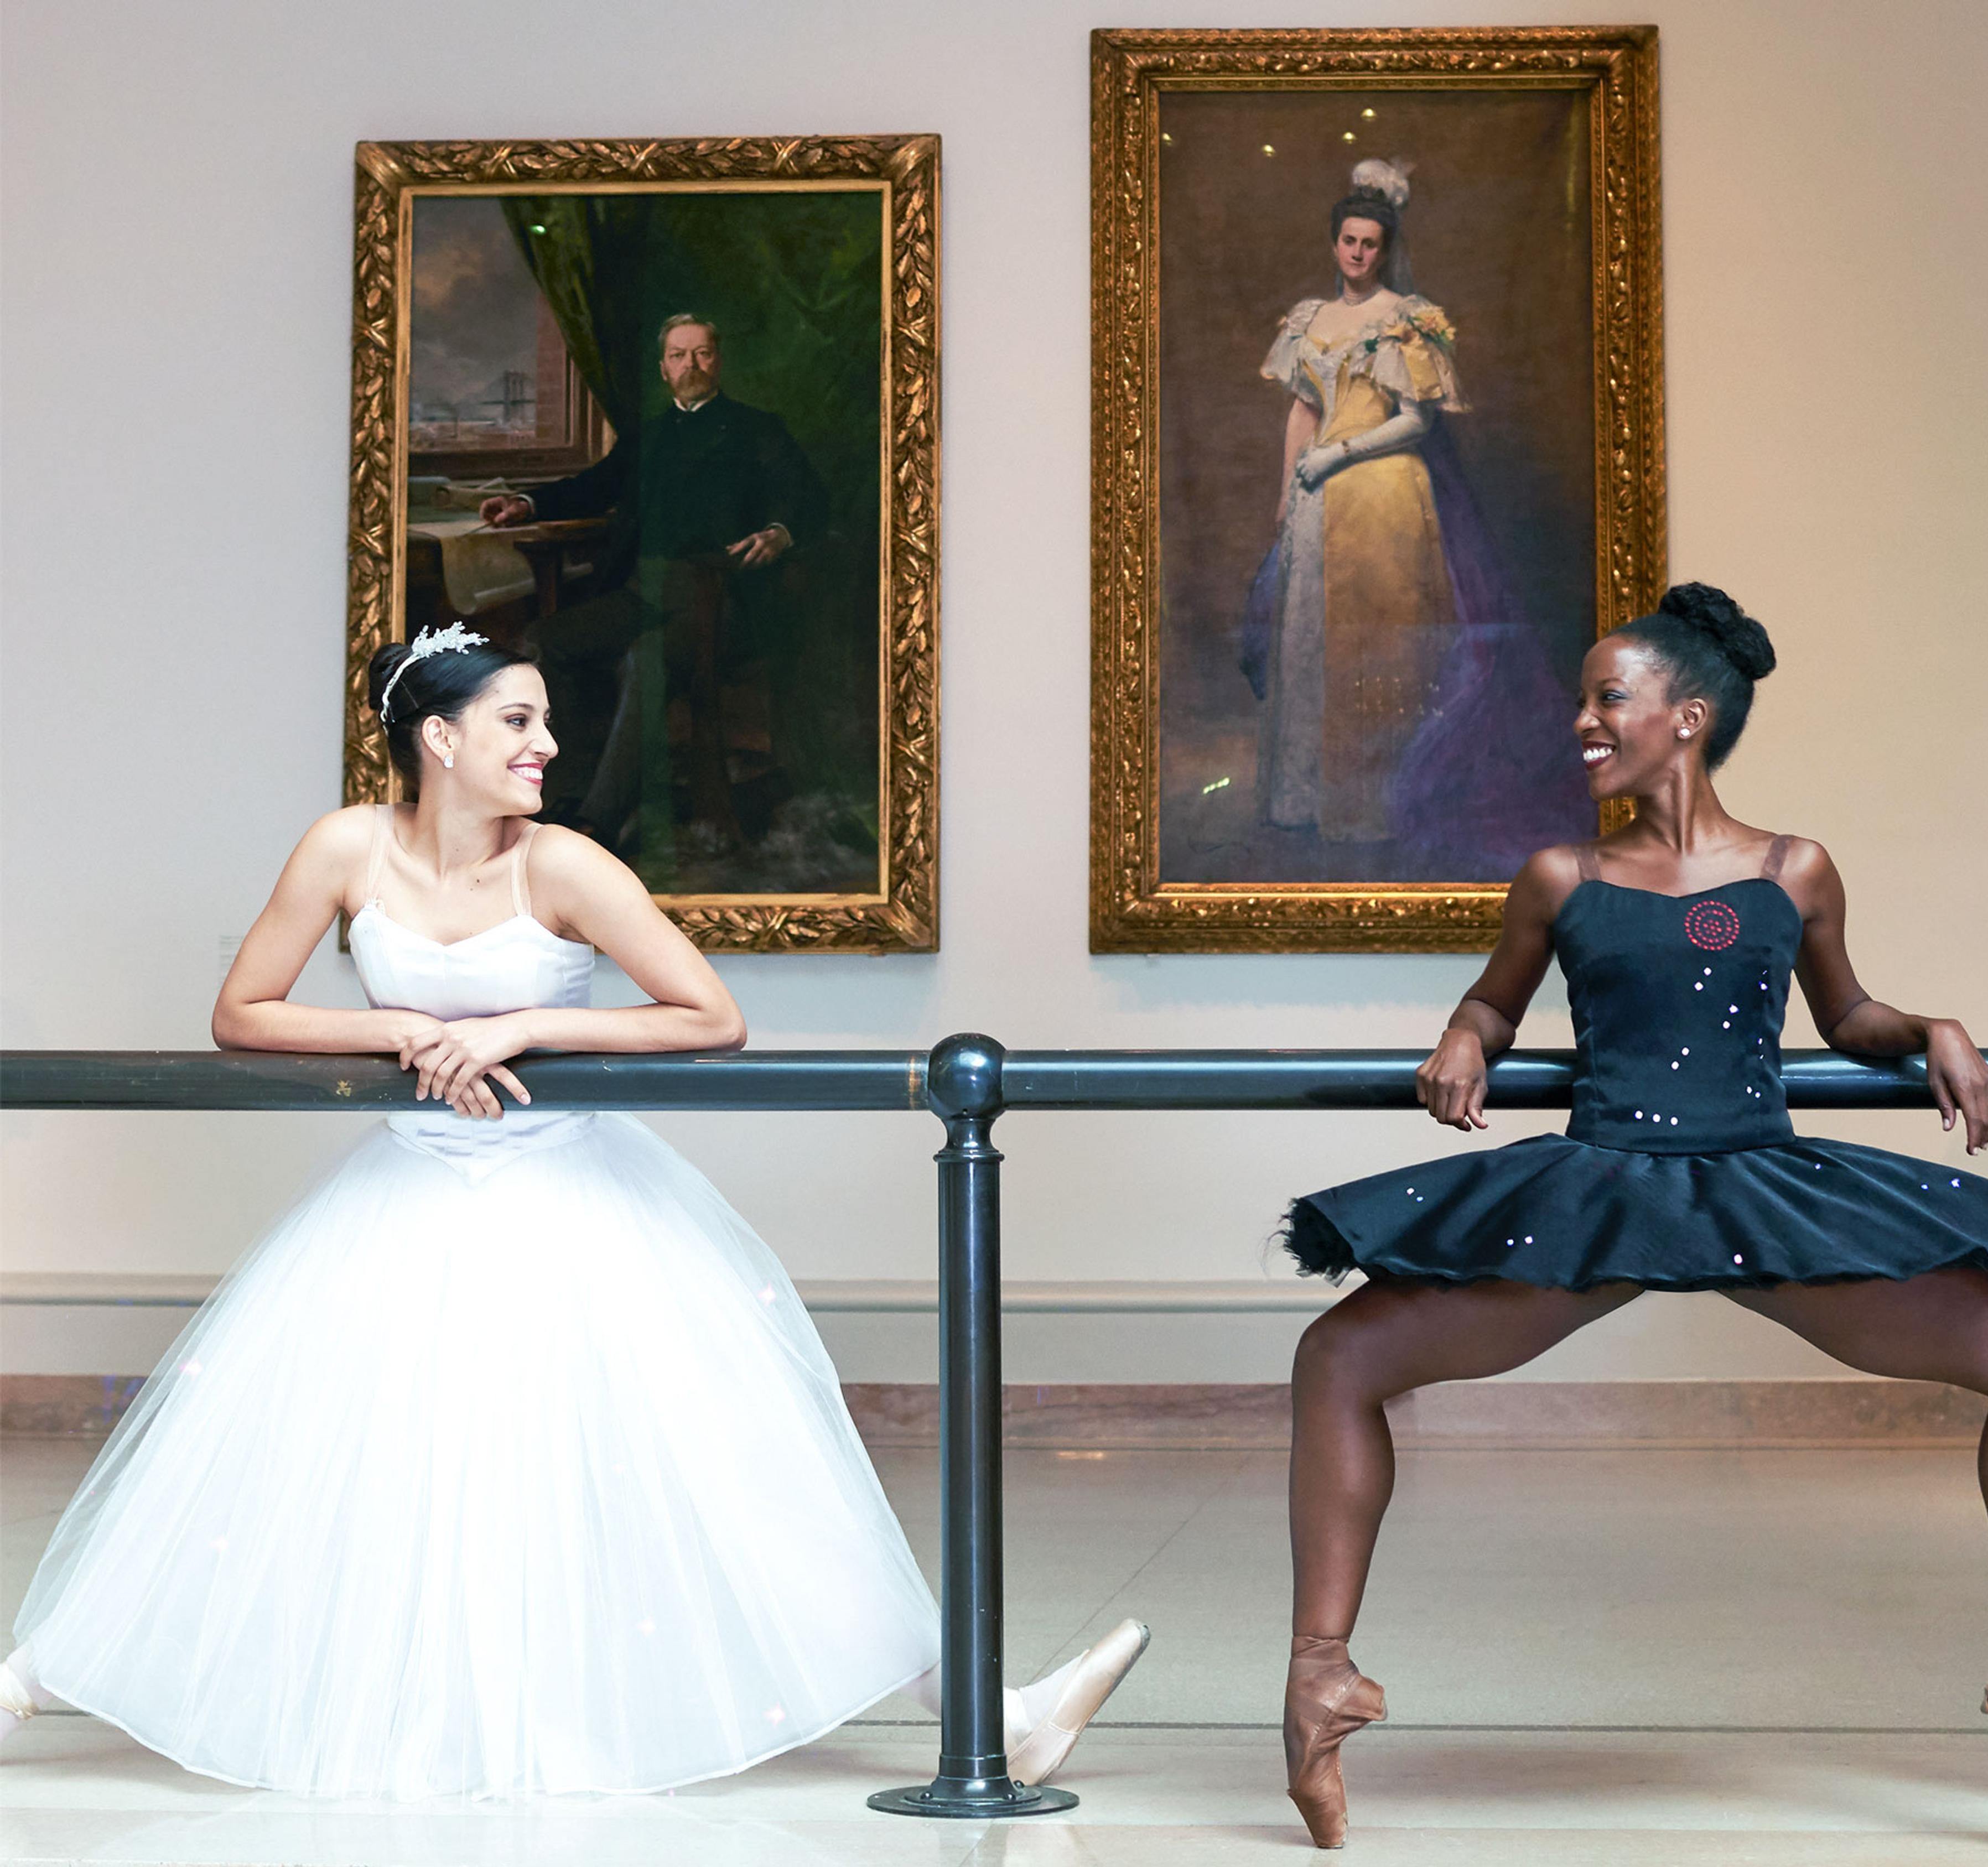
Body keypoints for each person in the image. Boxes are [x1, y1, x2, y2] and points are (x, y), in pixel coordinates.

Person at [0, 625, 1145, 1796]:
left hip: (574, 1202)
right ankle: (26, 1681)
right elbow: (244, 1009)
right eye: (518, 721)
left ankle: (989, 1713)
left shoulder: (564, 866)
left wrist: (519, 1027)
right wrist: (398, 1031)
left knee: (733, 1474)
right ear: (438, 738)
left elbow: (709, 1015)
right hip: (403, 1199)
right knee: (263, 1466)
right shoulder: (346, 847)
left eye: (546, 721)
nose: (548, 743)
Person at [1275, 585, 1988, 1850]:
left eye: (1607, 698)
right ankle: (1319, 1680)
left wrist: (1932, 1028)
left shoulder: (1790, 868)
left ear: (1685, 718)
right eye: (1584, 698)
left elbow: (1846, 1016)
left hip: (1754, 1180)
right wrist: (1461, 1034)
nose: (1580, 719)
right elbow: (1493, 1004)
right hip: (1603, 1185)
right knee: (1339, 1357)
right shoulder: (1559, 873)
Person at [1252, 159, 1589, 869]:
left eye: (1371, 244)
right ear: (1333, 242)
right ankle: (1305, 798)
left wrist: (1338, 457)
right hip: (1316, 497)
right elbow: (1302, 410)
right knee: (1312, 637)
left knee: (1377, 646)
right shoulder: (1311, 319)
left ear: (1386, 248)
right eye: (1348, 241)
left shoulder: (1407, 320)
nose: (1358, 254)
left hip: (1384, 498)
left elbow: (1416, 423)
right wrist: (1288, 491)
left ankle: (1374, 803)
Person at [481, 315, 826, 852]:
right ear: (664, 369)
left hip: (722, 601)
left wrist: (780, 532)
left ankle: (594, 825)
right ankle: (565, 798)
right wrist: (526, 502)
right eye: (679, 355)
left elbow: (805, 496)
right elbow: (594, 486)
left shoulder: (759, 430)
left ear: (719, 361)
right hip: (643, 592)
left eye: (703, 354)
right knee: (545, 642)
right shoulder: (650, 435)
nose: (691, 365)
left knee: (646, 659)